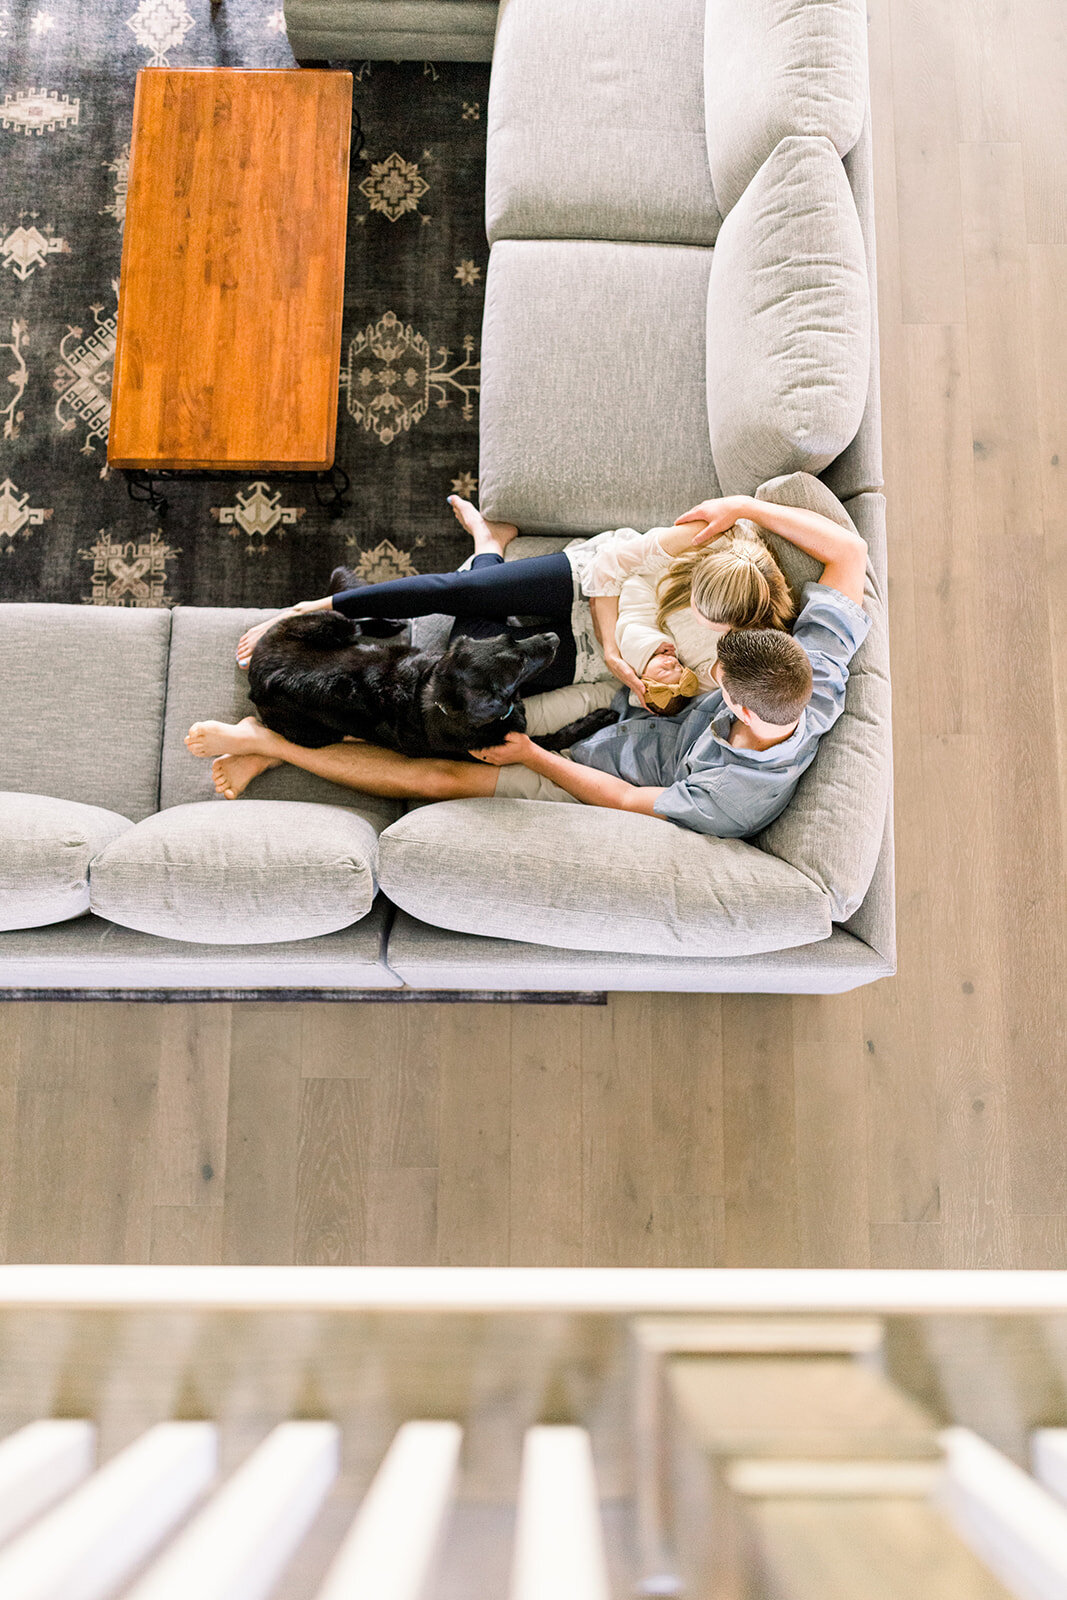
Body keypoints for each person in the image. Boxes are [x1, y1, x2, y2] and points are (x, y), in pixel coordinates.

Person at [185, 492, 870, 839]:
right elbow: (848, 555)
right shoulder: (814, 676)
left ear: (741, 706)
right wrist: (745, 506)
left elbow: (631, 801)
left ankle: (268, 740)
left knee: (432, 770)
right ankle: (485, 553)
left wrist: (531, 758)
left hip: (599, 766)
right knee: (446, 681)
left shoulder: (733, 795)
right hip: (618, 699)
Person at [233, 495, 794, 711]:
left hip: (601, 660)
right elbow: (621, 575)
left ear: (741, 623)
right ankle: (313, 606)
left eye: (707, 620)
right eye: (695, 602)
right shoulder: (701, 543)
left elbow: (683, 695)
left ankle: (487, 547)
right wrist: (624, 643)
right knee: (459, 593)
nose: (696, 616)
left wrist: (644, 679)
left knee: (463, 670)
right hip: (587, 584)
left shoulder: (742, 654)